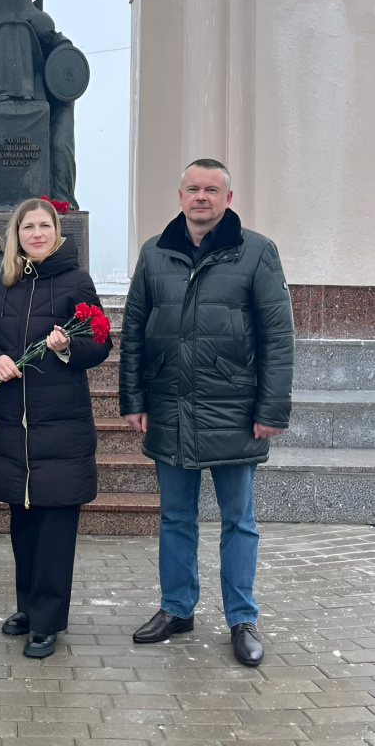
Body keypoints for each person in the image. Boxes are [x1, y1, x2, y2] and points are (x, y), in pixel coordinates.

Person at [119, 159, 294, 666]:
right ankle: (177, 609)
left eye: (212, 190)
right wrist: (133, 399)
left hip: (234, 411)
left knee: (238, 520)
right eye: (193, 188)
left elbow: (277, 337)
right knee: (176, 517)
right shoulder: (154, 253)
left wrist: (271, 408)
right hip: (170, 409)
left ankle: (242, 618)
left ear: (227, 198)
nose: (201, 197)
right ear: (180, 196)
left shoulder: (257, 252)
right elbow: (134, 331)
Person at [0, 197, 111, 658]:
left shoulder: (76, 280)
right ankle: (28, 608)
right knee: (24, 523)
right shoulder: (0, 280)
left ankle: (48, 622)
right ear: (17, 234)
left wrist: (68, 346)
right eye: (28, 226)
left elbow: (101, 342)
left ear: (56, 232)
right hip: (15, 424)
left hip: (61, 424)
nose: (36, 233)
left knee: (55, 527)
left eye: (44, 225)